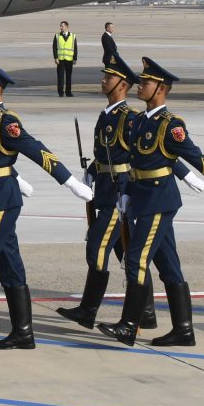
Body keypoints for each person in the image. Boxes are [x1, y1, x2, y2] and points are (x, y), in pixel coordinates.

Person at [96, 58, 204, 347]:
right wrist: (126, 194)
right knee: (168, 267)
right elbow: (133, 160)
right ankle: (184, 330)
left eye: (146, 83)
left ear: (161, 89)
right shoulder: (141, 121)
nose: (140, 86)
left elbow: (197, 157)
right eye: (140, 82)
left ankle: (129, 326)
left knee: (136, 259)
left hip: (158, 200)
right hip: (142, 198)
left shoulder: (171, 125)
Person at [0, 58, 93, 349]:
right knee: (8, 264)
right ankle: (23, 332)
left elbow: (37, 151)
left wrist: (70, 182)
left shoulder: (5, 121)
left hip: (1, 199)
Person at [55, 51, 155, 330]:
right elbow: (104, 153)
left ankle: (89, 311)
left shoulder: (129, 118)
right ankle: (145, 313)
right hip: (105, 189)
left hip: (118, 194)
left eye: (108, 76)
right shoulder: (107, 115)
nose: (103, 80)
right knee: (126, 252)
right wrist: (90, 173)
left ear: (122, 84)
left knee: (96, 248)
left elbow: (146, 154)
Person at [52, 21, 78, 97]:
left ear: (66, 27)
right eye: (60, 26)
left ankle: (68, 92)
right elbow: (54, 47)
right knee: (60, 77)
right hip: (60, 60)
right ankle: (60, 92)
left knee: (69, 77)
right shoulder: (57, 36)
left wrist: (75, 58)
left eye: (62, 26)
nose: (60, 27)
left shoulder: (73, 36)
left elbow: (75, 48)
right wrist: (56, 57)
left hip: (69, 59)